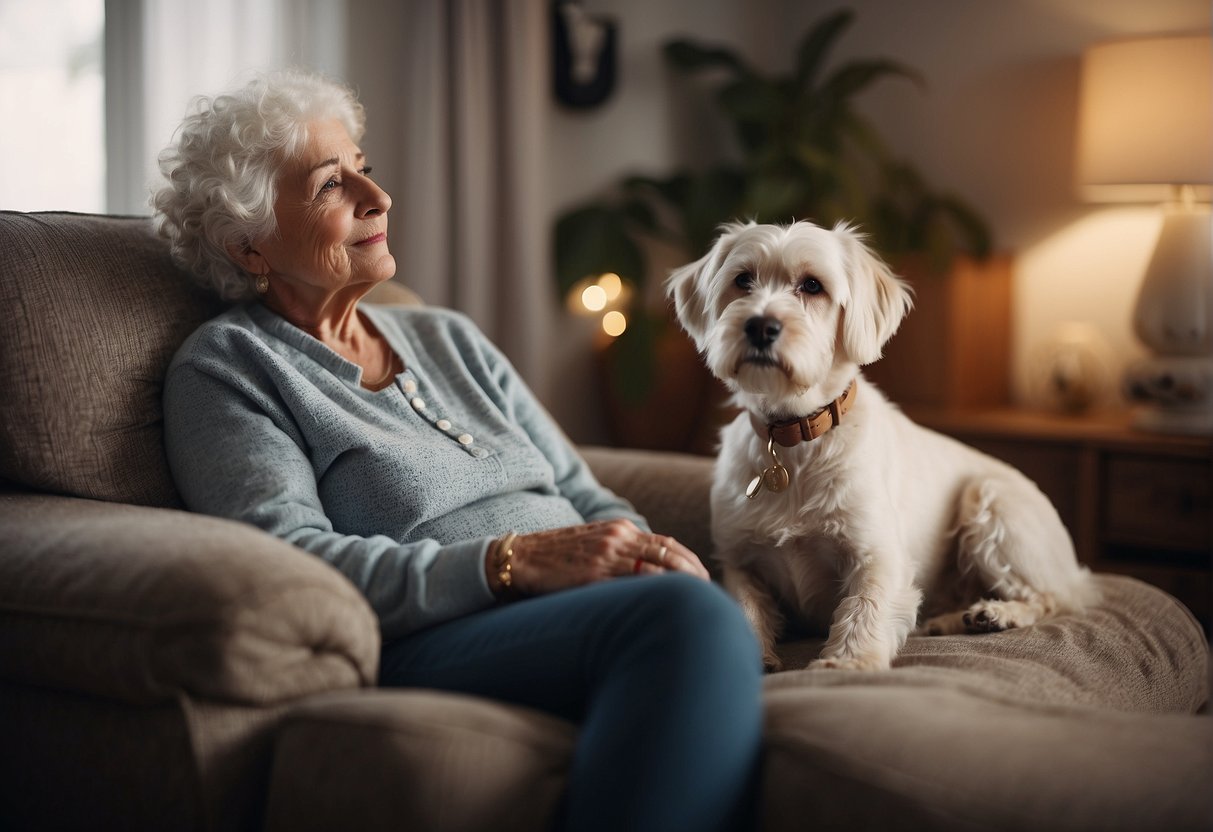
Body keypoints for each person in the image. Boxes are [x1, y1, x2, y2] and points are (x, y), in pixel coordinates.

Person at [154, 70, 763, 832]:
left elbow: (586, 490)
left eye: (364, 171)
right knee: (685, 622)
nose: (376, 199)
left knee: (700, 610)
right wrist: (508, 563)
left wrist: (647, 550)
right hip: (434, 635)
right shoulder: (229, 370)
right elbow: (294, 563)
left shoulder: (448, 337)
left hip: (582, 609)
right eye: (328, 187)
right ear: (249, 246)